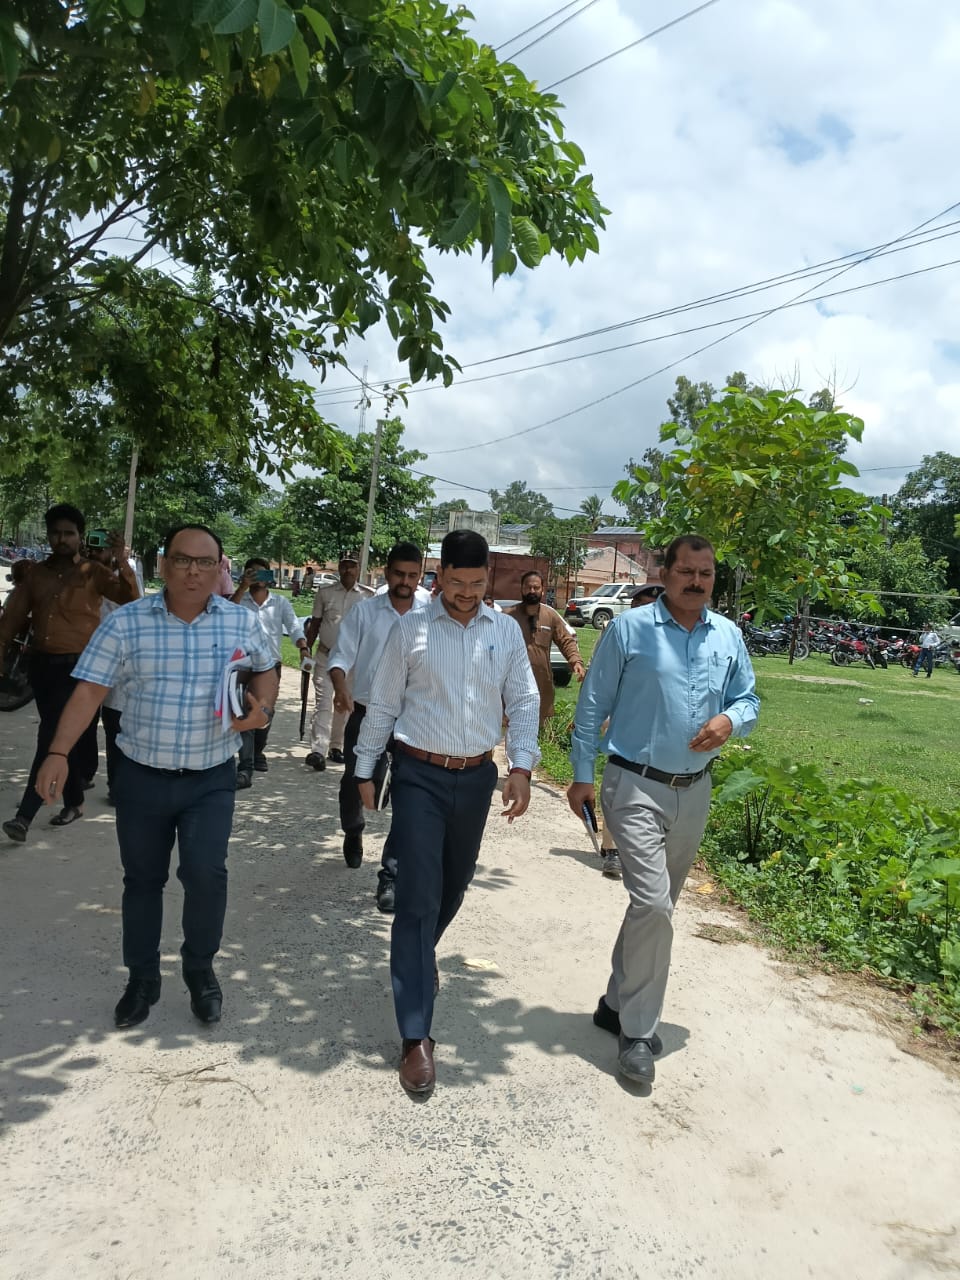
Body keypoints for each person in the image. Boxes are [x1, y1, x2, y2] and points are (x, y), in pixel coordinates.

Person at [35, 524, 279, 1029]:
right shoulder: (127, 623)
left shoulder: (240, 621)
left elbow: (267, 668)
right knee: (142, 880)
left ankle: (200, 971)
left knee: (206, 876)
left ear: (220, 569)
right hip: (141, 776)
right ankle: (142, 979)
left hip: (210, 777)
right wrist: (58, 752)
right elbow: (89, 691)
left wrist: (263, 708)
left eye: (205, 562)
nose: (193, 571)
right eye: (182, 560)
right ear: (164, 564)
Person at [567, 536, 758, 1087]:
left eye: (706, 573)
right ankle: (637, 1032)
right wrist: (581, 774)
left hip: (694, 790)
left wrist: (731, 721)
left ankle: (613, 1004)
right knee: (653, 903)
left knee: (655, 908)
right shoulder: (630, 629)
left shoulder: (729, 635)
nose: (696, 582)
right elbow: (593, 704)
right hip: (634, 784)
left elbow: (748, 699)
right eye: (686, 571)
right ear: (664, 573)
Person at [354, 529, 539, 1095]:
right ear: (440, 576)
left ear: (489, 579)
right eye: (457, 582)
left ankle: (417, 954)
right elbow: (384, 702)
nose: (466, 593)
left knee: (455, 883)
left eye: (476, 583)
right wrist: (365, 767)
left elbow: (524, 699)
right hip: (418, 773)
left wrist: (522, 766)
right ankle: (416, 1035)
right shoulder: (411, 628)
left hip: (476, 776)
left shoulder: (504, 631)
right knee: (418, 895)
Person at [0, 505, 139, 842]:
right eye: (55, 533)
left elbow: (131, 598)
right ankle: (74, 802)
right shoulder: (35, 574)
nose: (61, 539)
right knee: (63, 737)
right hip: (42, 667)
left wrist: (121, 560)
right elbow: (12, 619)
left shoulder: (94, 572)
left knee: (50, 736)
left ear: (80, 536)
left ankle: (25, 815)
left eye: (69, 533)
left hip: (80, 669)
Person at [328, 542, 426, 909]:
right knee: (355, 781)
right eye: (399, 574)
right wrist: (340, 686)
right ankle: (353, 830)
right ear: (386, 573)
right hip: (366, 713)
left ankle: (391, 876)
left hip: (412, 719)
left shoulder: (431, 613)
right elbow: (340, 657)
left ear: (420, 576)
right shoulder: (365, 612)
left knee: (408, 794)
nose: (405, 582)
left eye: (412, 576)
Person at [597, 582, 665, 879]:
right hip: (623, 720)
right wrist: (603, 716)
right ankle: (612, 850)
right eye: (640, 606)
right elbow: (600, 675)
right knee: (621, 785)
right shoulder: (617, 630)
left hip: (660, 724)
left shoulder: (675, 636)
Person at [230, 557, 308, 787]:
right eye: (252, 573)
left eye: (262, 573)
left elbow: (294, 626)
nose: (258, 577)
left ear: (269, 577)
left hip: (270, 666)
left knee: (265, 713)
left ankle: (257, 752)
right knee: (245, 712)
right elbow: (225, 616)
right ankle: (245, 768)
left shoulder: (280, 603)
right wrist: (242, 587)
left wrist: (303, 646)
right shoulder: (239, 600)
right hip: (244, 665)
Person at [86, 537, 146, 806]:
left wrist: (121, 561)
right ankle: (82, 774)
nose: (96, 551)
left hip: (119, 661)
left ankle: (116, 784)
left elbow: (136, 602)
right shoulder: (81, 572)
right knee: (83, 723)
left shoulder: (127, 571)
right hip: (85, 657)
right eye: (93, 546)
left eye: (103, 547)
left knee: (114, 725)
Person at [304, 556, 373, 770]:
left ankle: (336, 746)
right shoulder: (325, 593)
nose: (348, 570)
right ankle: (318, 749)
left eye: (352, 566)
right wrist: (306, 650)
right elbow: (315, 623)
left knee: (344, 704)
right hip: (326, 655)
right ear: (339, 569)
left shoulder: (368, 596)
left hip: (353, 661)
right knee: (323, 703)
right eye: (344, 566)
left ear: (359, 569)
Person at [506, 571, 585, 728]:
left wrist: (575, 661)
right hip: (512, 684)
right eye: (528, 587)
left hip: (541, 684)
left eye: (536, 587)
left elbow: (566, 640)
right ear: (521, 589)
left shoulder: (550, 616)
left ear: (543, 590)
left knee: (538, 730)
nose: (532, 591)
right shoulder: (507, 617)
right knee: (509, 729)